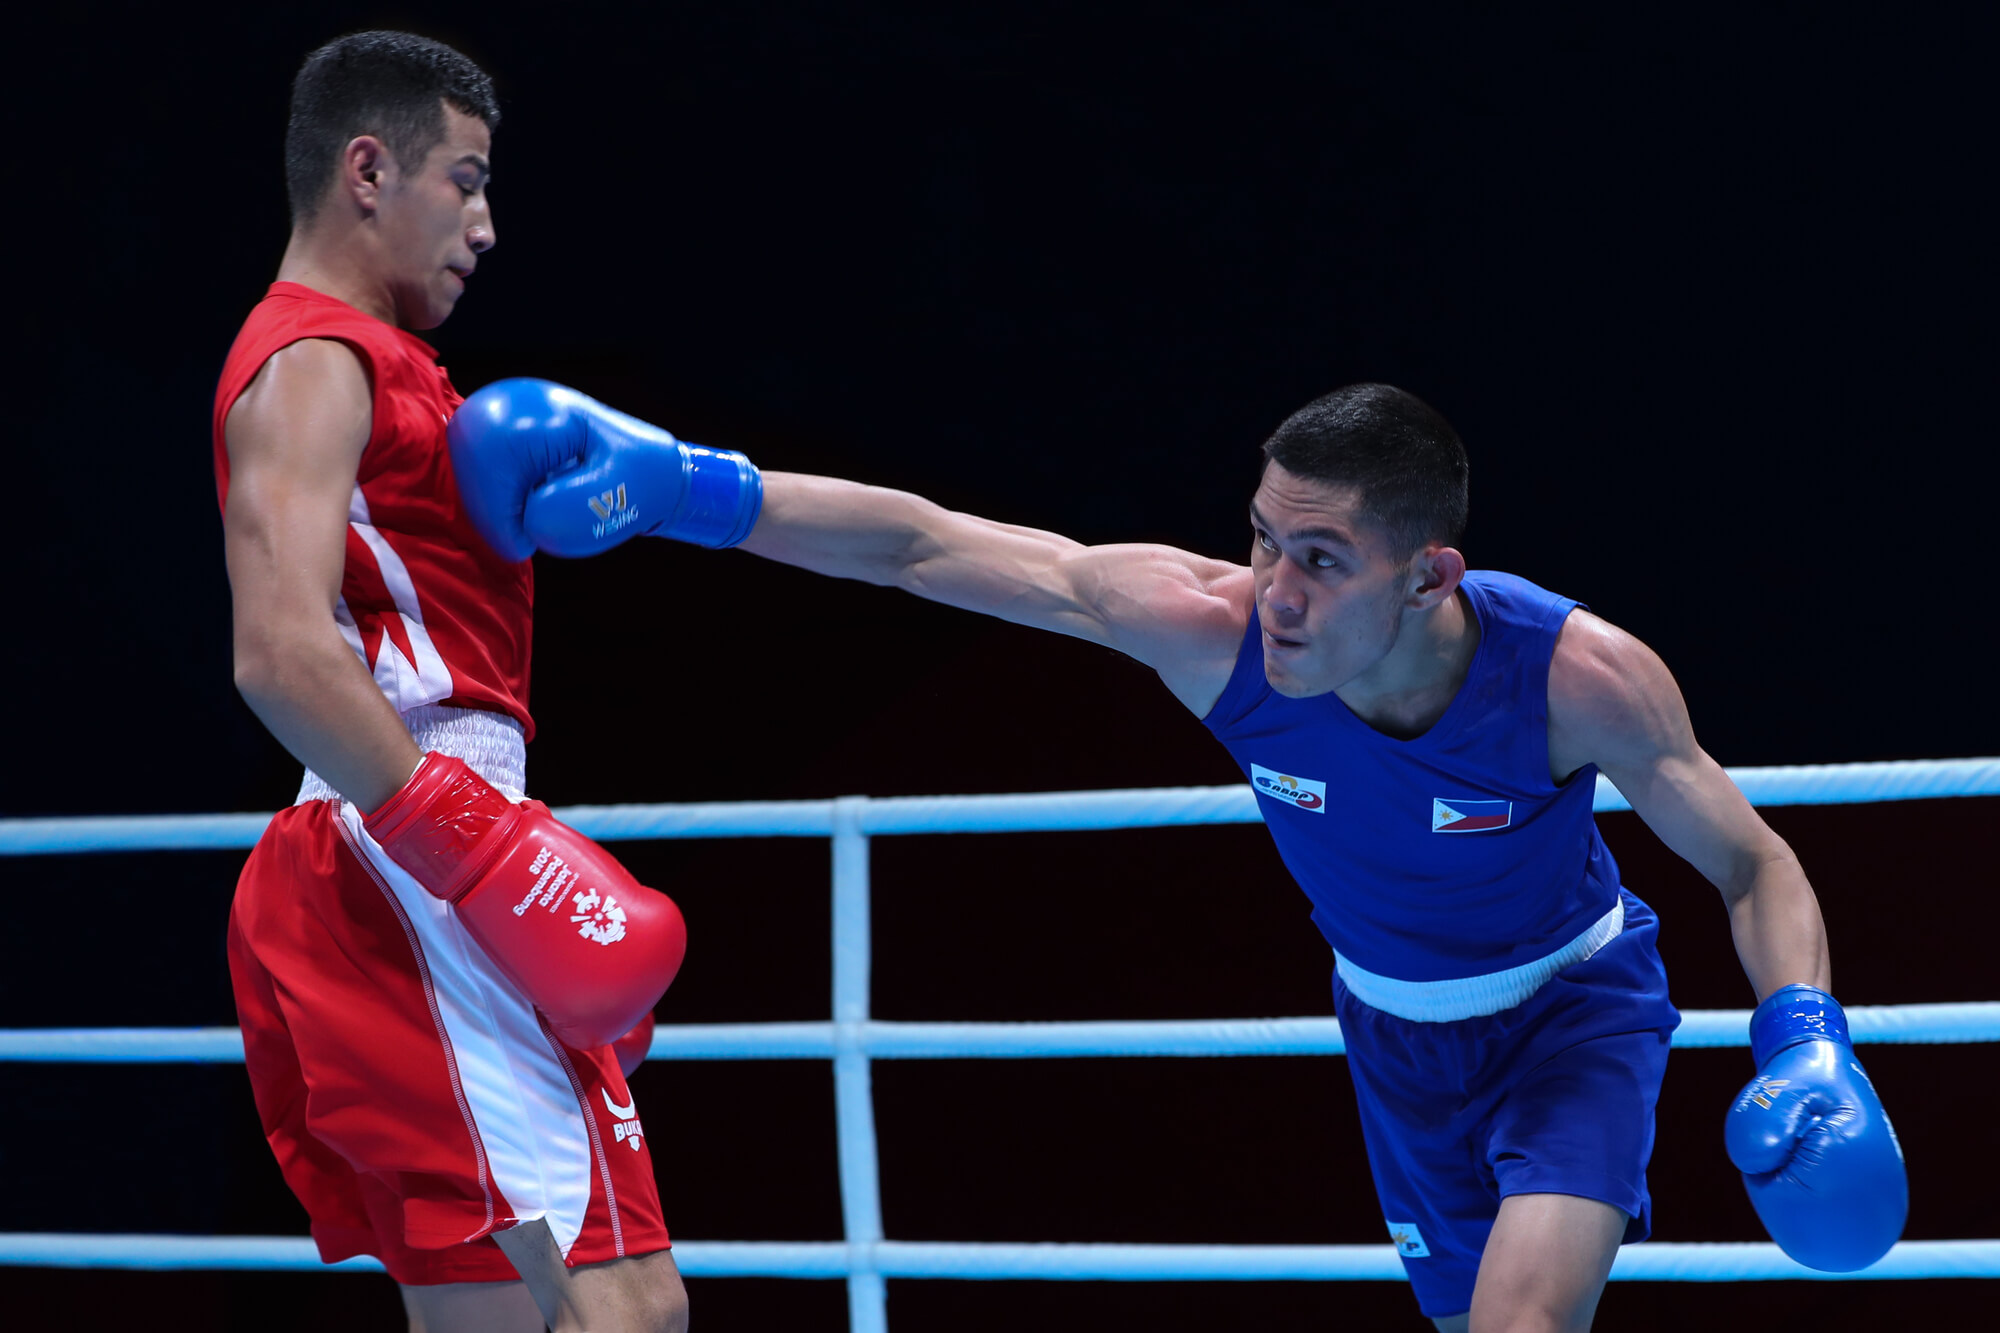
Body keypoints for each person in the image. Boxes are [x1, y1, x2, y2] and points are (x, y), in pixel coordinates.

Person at [447, 378, 1906, 1330]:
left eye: (1320, 559)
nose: (1274, 589)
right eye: (1264, 539)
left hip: (1575, 1011)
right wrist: (691, 487)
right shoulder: (1217, 635)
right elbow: (926, 547)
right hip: (1395, 1037)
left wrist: (1807, 1038)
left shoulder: (1579, 677)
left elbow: (1755, 864)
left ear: (1428, 574)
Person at [214, 33, 708, 1333]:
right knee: (617, 1305)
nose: (488, 226)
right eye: (467, 182)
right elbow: (275, 647)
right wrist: (481, 852)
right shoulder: (312, 359)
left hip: (420, 843)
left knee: (503, 1307)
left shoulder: (397, 369)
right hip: (412, 846)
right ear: (367, 169)